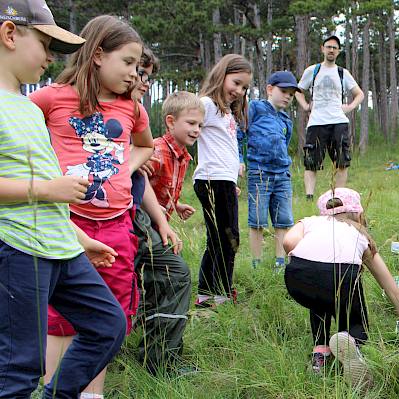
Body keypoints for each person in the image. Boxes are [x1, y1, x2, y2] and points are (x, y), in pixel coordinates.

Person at [0, 3, 127, 397]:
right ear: (9, 35)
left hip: (59, 247)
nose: (51, 57)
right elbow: (42, 188)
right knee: (20, 365)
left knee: (108, 325)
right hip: (17, 249)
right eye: (43, 43)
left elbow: (46, 188)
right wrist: (45, 190)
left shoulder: (27, 108)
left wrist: (78, 236)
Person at [29, 14, 154, 398]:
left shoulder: (130, 108)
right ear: (97, 54)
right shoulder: (51, 97)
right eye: (128, 62)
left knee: (109, 310)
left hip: (117, 222)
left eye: (138, 66)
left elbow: (146, 144)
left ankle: (91, 393)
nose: (135, 73)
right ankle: (53, 389)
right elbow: (19, 134)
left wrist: (121, 169)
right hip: (67, 221)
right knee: (59, 314)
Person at [283, 188, 399, 391]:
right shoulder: (359, 234)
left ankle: (320, 353)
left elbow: (288, 241)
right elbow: (388, 285)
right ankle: (351, 338)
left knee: (319, 298)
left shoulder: (311, 222)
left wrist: (306, 257)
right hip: (341, 278)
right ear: (359, 214)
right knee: (348, 302)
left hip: (297, 279)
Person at [135, 90, 203, 374]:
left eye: (200, 125)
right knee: (176, 275)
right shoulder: (158, 150)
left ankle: (149, 351)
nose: (196, 130)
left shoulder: (182, 155)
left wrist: (176, 204)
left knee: (156, 283)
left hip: (154, 222)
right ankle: (161, 360)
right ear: (170, 121)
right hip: (140, 224)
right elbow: (138, 179)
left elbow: (160, 188)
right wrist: (158, 217)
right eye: (191, 123)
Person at [192, 54, 252, 308]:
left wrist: (232, 175)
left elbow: (222, 146)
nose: (239, 91)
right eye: (236, 83)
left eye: (244, 87)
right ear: (222, 74)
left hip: (223, 181)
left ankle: (207, 294)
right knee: (228, 238)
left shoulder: (226, 112)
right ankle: (221, 294)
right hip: (211, 180)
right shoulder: (205, 104)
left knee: (219, 239)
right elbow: (187, 128)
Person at [239, 71, 299, 271]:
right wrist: (239, 159)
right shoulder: (255, 108)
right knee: (257, 219)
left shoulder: (286, 121)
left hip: (282, 174)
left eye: (291, 94)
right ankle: (256, 264)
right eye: (283, 91)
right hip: (259, 173)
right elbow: (240, 134)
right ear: (270, 89)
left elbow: (284, 143)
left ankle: (280, 262)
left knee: (283, 220)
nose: (287, 96)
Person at [295, 35, 365, 199]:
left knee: (342, 161)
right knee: (311, 162)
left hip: (338, 122)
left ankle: (338, 196)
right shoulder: (313, 71)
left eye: (334, 47)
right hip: (316, 122)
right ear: (323, 49)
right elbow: (298, 90)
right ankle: (309, 197)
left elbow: (359, 94)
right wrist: (305, 106)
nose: (331, 50)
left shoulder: (342, 73)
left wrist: (350, 107)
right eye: (328, 47)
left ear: (338, 51)